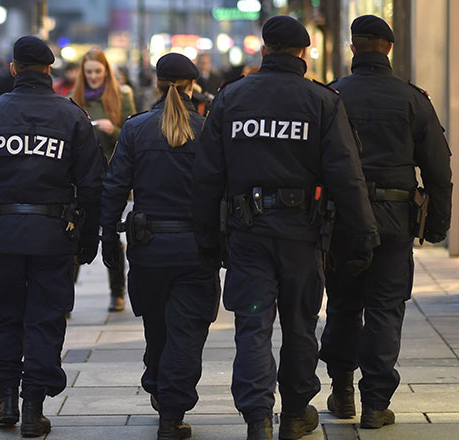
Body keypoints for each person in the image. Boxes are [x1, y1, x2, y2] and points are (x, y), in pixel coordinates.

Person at [192, 16, 379, 440]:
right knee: (300, 324)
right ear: (304, 54)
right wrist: (364, 233)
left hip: (248, 233)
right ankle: (295, 414)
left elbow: (206, 175)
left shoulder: (231, 98)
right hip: (301, 236)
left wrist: (206, 236)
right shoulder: (322, 102)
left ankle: (258, 417)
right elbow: (346, 176)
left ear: (263, 50)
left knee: (252, 325)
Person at [0, 36, 104, 438]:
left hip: (4, 234)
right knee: (46, 318)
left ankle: (6, 399)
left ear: (14, 67)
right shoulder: (71, 116)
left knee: (6, 313)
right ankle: (33, 409)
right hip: (54, 236)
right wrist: (89, 237)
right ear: (49, 70)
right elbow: (91, 183)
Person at [318, 15, 453, 430]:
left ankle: (342, 392)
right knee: (385, 309)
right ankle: (376, 403)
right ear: (389, 49)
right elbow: (438, 169)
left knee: (342, 304)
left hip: (341, 221)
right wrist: (437, 226)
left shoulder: (331, 96)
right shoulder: (413, 99)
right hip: (395, 221)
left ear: (353, 48)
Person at [101, 53, 219, 440]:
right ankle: (172, 411)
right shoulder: (207, 130)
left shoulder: (136, 130)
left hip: (148, 247)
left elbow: (115, 186)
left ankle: (157, 380)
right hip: (195, 248)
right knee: (186, 332)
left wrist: (106, 236)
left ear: (156, 84)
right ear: (191, 86)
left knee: (157, 328)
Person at [71, 48, 136, 312]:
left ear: (106, 72)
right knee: (73, 233)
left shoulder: (122, 95)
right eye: (89, 72)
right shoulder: (74, 99)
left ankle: (117, 292)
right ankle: (66, 295)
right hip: (83, 176)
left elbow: (132, 133)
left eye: (98, 72)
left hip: (112, 175)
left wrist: (114, 129)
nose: (94, 77)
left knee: (110, 232)